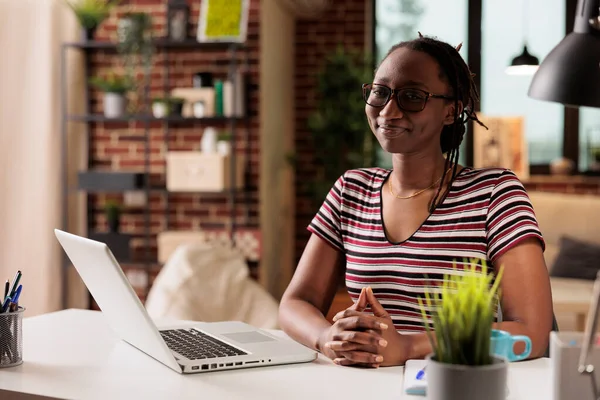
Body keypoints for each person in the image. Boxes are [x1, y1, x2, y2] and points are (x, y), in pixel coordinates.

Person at [278, 34, 553, 368]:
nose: (389, 111)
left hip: (452, 382)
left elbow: (531, 333)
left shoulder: (495, 193)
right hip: (360, 381)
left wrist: (408, 347)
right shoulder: (351, 189)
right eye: (380, 92)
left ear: (451, 111)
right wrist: (326, 337)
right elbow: (295, 302)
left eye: (412, 96)